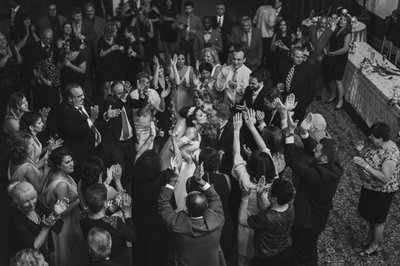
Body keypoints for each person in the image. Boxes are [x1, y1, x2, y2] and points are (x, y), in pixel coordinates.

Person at [277, 102, 343, 266]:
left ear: (325, 158)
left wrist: (291, 133)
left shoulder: (316, 176)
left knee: (300, 252)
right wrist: (304, 132)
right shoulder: (334, 164)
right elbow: (314, 147)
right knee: (310, 249)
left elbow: (291, 159)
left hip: (307, 221)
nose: (314, 150)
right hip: (319, 217)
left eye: (318, 151)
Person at [158, 159, 225, 266]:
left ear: (187, 210)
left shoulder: (177, 224)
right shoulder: (217, 219)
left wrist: (174, 179)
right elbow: (215, 198)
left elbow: (162, 203)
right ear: (207, 207)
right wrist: (200, 181)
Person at [232, 112, 277, 266]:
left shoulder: (246, 181)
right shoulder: (274, 175)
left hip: (247, 222)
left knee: (243, 256)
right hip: (265, 223)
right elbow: (265, 149)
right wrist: (251, 126)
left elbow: (236, 154)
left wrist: (236, 131)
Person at [353, 122, 400, 256]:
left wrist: (365, 166)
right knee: (371, 216)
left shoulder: (391, 154)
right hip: (371, 187)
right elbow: (373, 160)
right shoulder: (378, 144)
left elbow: (385, 177)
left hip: (383, 192)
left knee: (378, 219)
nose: (369, 137)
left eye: (373, 136)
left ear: (381, 138)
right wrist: (361, 151)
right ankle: (369, 238)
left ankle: (374, 245)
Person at [186, 147, 236, 266]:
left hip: (201, 228)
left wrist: (197, 165)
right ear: (217, 163)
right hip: (223, 225)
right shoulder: (226, 179)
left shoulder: (190, 182)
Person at [42, 147, 88, 266]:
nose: (72, 163)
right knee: (69, 257)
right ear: (58, 165)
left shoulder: (58, 173)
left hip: (71, 221)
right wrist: (79, 200)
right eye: (67, 162)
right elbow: (63, 211)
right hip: (65, 226)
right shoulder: (62, 185)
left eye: (72, 160)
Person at [239, 177, 295, 266]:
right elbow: (267, 209)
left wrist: (245, 197)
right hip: (286, 250)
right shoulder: (290, 206)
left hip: (267, 258)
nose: (268, 190)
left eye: (270, 190)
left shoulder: (267, 217)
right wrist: (259, 194)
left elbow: (242, 220)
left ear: (275, 199)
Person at [131, 150, 173, 266]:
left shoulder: (135, 181)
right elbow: (176, 166)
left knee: (141, 252)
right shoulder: (162, 180)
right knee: (159, 254)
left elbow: (138, 156)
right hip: (158, 223)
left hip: (140, 223)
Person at [8, 181, 67, 263]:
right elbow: (33, 248)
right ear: (17, 203)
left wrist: (56, 213)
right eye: (26, 201)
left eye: (33, 198)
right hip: (30, 261)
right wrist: (46, 226)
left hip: (45, 253)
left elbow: (55, 224)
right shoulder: (15, 220)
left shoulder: (37, 204)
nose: (32, 204)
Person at [52, 83, 101, 181]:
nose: (83, 97)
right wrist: (91, 119)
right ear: (70, 98)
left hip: (95, 150)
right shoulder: (63, 111)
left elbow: (95, 120)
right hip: (80, 156)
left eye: (83, 94)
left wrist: (105, 116)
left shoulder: (84, 102)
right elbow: (76, 132)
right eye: (79, 96)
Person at [80, 183, 137, 266]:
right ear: (105, 204)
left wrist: (111, 207)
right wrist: (126, 212)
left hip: (96, 261)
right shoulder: (115, 222)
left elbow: (99, 218)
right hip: (117, 261)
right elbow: (133, 237)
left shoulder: (83, 221)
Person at [278, 47, 316, 121]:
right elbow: (279, 76)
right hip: (284, 99)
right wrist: (279, 84)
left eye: (302, 57)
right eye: (297, 57)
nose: (300, 59)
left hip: (299, 103)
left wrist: (305, 104)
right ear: (292, 55)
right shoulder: (284, 63)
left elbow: (312, 90)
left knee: (296, 123)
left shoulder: (310, 69)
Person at [326, 15, 352, 110]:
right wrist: (327, 49)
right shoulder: (337, 30)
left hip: (340, 58)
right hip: (331, 56)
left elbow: (345, 49)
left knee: (338, 80)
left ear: (347, 23)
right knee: (330, 78)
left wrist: (334, 53)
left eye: (344, 20)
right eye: (341, 19)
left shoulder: (348, 33)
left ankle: (340, 100)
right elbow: (331, 42)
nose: (342, 21)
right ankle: (333, 95)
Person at [308, 16, 333, 100]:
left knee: (319, 76)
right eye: (321, 23)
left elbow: (329, 46)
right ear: (318, 22)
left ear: (327, 24)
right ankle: (309, 91)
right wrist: (309, 45)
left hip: (320, 57)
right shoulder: (312, 28)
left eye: (325, 23)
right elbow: (307, 39)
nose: (322, 25)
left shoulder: (329, 32)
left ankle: (318, 93)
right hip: (311, 55)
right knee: (310, 73)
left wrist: (322, 55)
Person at [0, 32, 23, 119]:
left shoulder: (11, 48)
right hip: (4, 83)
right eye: (0, 40)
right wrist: (7, 56)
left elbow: (20, 61)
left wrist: (17, 52)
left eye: (4, 39)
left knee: (18, 102)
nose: (3, 41)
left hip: (16, 81)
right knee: (6, 104)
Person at [98, 22, 124, 97]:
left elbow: (122, 48)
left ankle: (118, 101)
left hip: (116, 64)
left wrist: (120, 48)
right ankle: (106, 102)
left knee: (118, 83)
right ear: (110, 30)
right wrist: (111, 49)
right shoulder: (102, 40)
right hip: (106, 65)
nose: (116, 31)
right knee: (106, 85)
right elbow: (100, 54)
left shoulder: (117, 39)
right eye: (115, 29)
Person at [175, 1, 203, 66]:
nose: (187, 10)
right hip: (183, 40)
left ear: (192, 9)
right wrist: (178, 26)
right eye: (186, 9)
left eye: (189, 9)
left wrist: (195, 32)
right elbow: (172, 26)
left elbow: (201, 30)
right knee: (182, 57)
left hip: (193, 41)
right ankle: (184, 70)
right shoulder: (181, 18)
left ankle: (192, 71)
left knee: (193, 57)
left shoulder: (197, 19)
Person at [253, 1, 277, 68]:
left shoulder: (260, 8)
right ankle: (265, 73)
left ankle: (257, 70)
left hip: (258, 35)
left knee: (259, 54)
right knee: (267, 56)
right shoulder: (272, 10)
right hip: (267, 37)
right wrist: (276, 20)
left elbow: (254, 21)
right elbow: (271, 24)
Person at [270, 18, 293, 82]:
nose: (282, 27)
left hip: (286, 60)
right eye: (281, 25)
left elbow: (293, 51)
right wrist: (275, 44)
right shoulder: (276, 35)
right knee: (275, 77)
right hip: (276, 59)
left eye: (284, 25)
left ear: (287, 26)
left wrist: (285, 48)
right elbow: (272, 49)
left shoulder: (292, 36)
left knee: (283, 77)